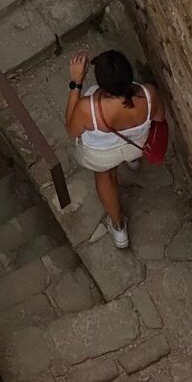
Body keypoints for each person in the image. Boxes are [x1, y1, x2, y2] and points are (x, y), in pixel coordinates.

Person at [65, 48, 162, 249]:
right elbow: (159, 120)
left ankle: (119, 229)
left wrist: (76, 83)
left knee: (105, 176)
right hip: (137, 146)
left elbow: (72, 130)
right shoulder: (149, 94)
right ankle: (132, 161)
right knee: (130, 143)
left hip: (102, 156)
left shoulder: (87, 108)